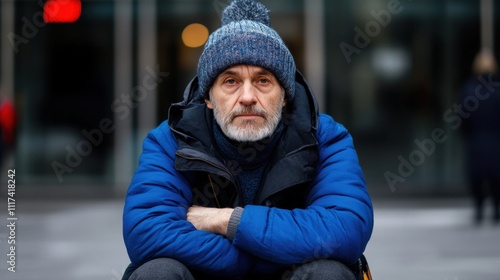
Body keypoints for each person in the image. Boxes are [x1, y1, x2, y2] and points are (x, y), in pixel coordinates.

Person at [122, 0, 373, 279]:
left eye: (263, 80)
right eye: (230, 81)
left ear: (285, 95)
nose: (248, 97)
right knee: (157, 272)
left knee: (329, 273)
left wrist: (229, 221)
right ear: (207, 96)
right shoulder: (171, 139)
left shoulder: (325, 137)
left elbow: (345, 231)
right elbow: (147, 233)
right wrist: (257, 256)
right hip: (210, 274)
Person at [461, 49, 500, 225]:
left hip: (476, 140)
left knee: (476, 176)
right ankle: (496, 210)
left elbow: (462, 118)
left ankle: (479, 209)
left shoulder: (469, 90)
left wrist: (467, 134)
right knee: (496, 176)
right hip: (495, 141)